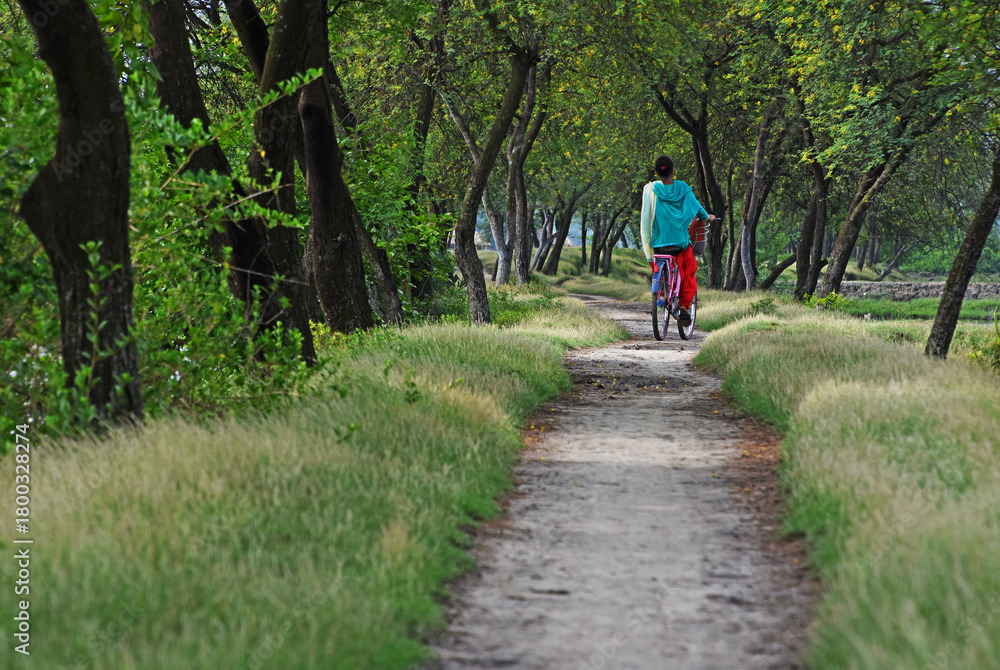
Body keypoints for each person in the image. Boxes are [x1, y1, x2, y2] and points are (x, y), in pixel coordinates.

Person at [639, 155, 715, 327]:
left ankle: (661, 293)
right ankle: (683, 306)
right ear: (673, 171)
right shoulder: (682, 188)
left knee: (663, 265)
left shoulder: (651, 190)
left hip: (658, 244)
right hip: (679, 244)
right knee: (688, 271)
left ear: (656, 172)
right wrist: (708, 218)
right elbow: (698, 209)